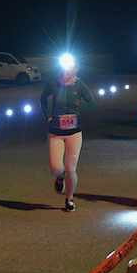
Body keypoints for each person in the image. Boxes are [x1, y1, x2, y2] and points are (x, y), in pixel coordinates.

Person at [40, 55, 97, 212]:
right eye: (65, 67)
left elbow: (92, 105)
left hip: (74, 132)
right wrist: (48, 115)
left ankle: (69, 198)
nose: (67, 70)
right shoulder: (53, 83)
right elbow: (43, 99)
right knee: (56, 168)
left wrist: (79, 103)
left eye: (70, 67)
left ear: (76, 69)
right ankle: (60, 176)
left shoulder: (80, 86)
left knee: (71, 168)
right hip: (56, 132)